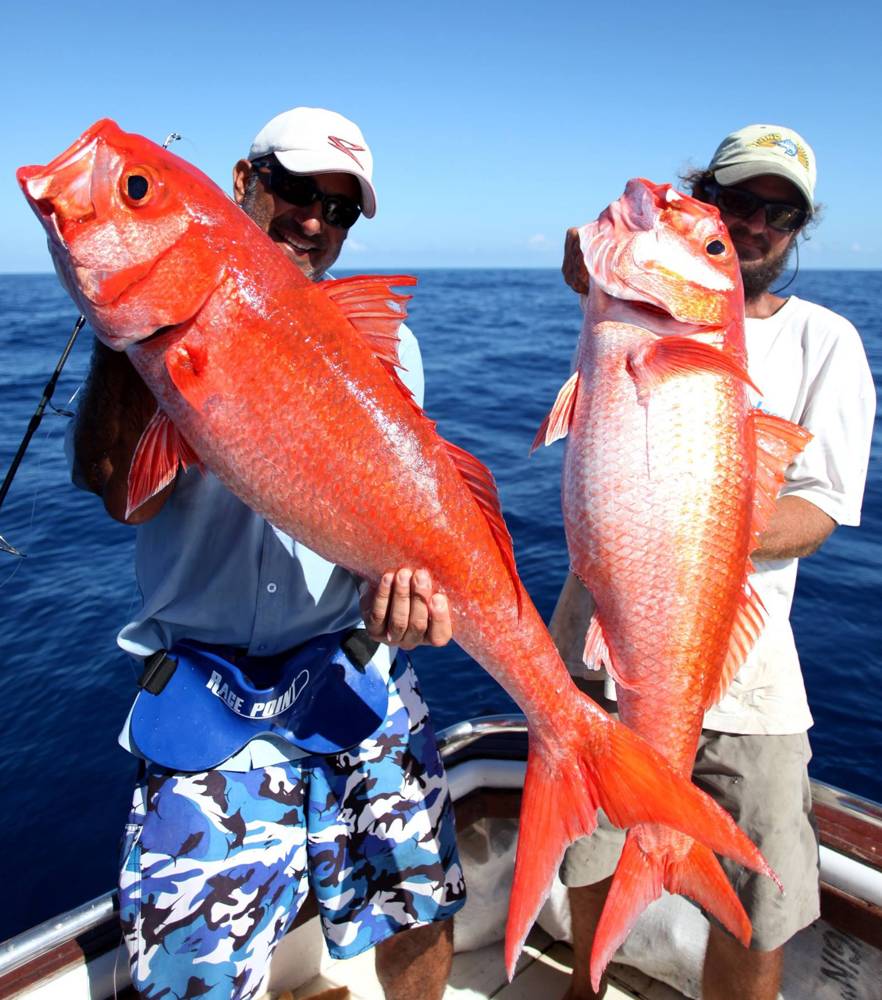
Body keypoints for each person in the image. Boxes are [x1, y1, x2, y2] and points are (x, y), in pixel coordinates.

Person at [69, 107, 464, 1000]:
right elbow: (118, 490)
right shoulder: (154, 328)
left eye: (341, 209)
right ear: (242, 182)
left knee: (423, 906)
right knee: (189, 978)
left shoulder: (387, 347)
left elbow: (394, 534)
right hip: (208, 701)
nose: (314, 220)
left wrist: (409, 602)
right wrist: (124, 331)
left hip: (356, 671)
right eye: (294, 189)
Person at [552, 125, 876, 1000]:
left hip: (747, 665)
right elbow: (588, 263)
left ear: (801, 228)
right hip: (597, 633)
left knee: (759, 891)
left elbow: (821, 509)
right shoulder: (623, 299)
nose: (759, 224)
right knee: (588, 849)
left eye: (783, 212)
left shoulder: (828, 342)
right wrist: (594, 259)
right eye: (735, 207)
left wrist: (702, 532)